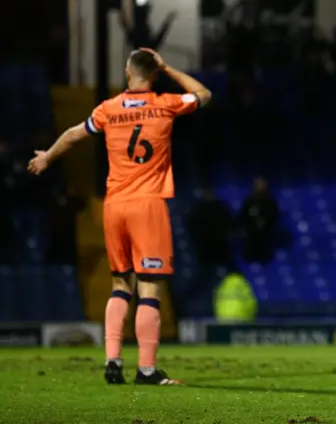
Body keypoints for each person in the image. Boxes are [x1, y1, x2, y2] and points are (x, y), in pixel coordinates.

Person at [28, 48, 212, 385]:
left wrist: (46, 158)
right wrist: (169, 68)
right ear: (154, 74)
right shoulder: (165, 104)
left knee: (119, 285)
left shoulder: (108, 109)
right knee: (150, 288)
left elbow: (71, 135)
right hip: (148, 204)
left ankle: (113, 361)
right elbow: (204, 94)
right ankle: (146, 370)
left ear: (127, 74)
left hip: (113, 206)